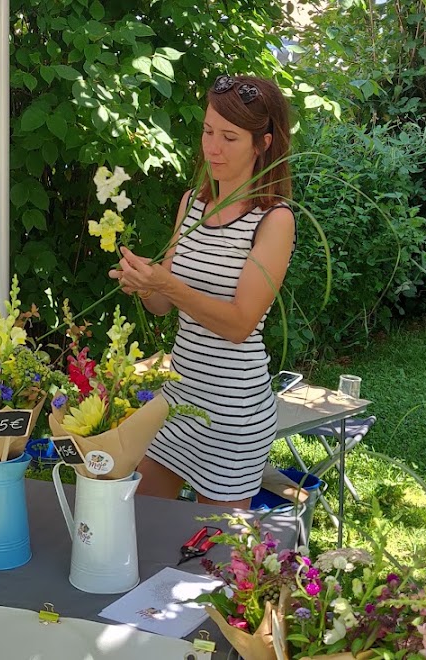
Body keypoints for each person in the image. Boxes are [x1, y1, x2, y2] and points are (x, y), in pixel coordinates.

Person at [110, 74, 296, 506]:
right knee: (144, 526)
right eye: (208, 131)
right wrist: (143, 283)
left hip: (234, 415)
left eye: (229, 137)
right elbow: (161, 304)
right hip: (177, 401)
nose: (212, 148)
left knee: (213, 557)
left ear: (263, 143)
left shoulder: (274, 220)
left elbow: (239, 325)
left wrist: (167, 283)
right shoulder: (193, 202)